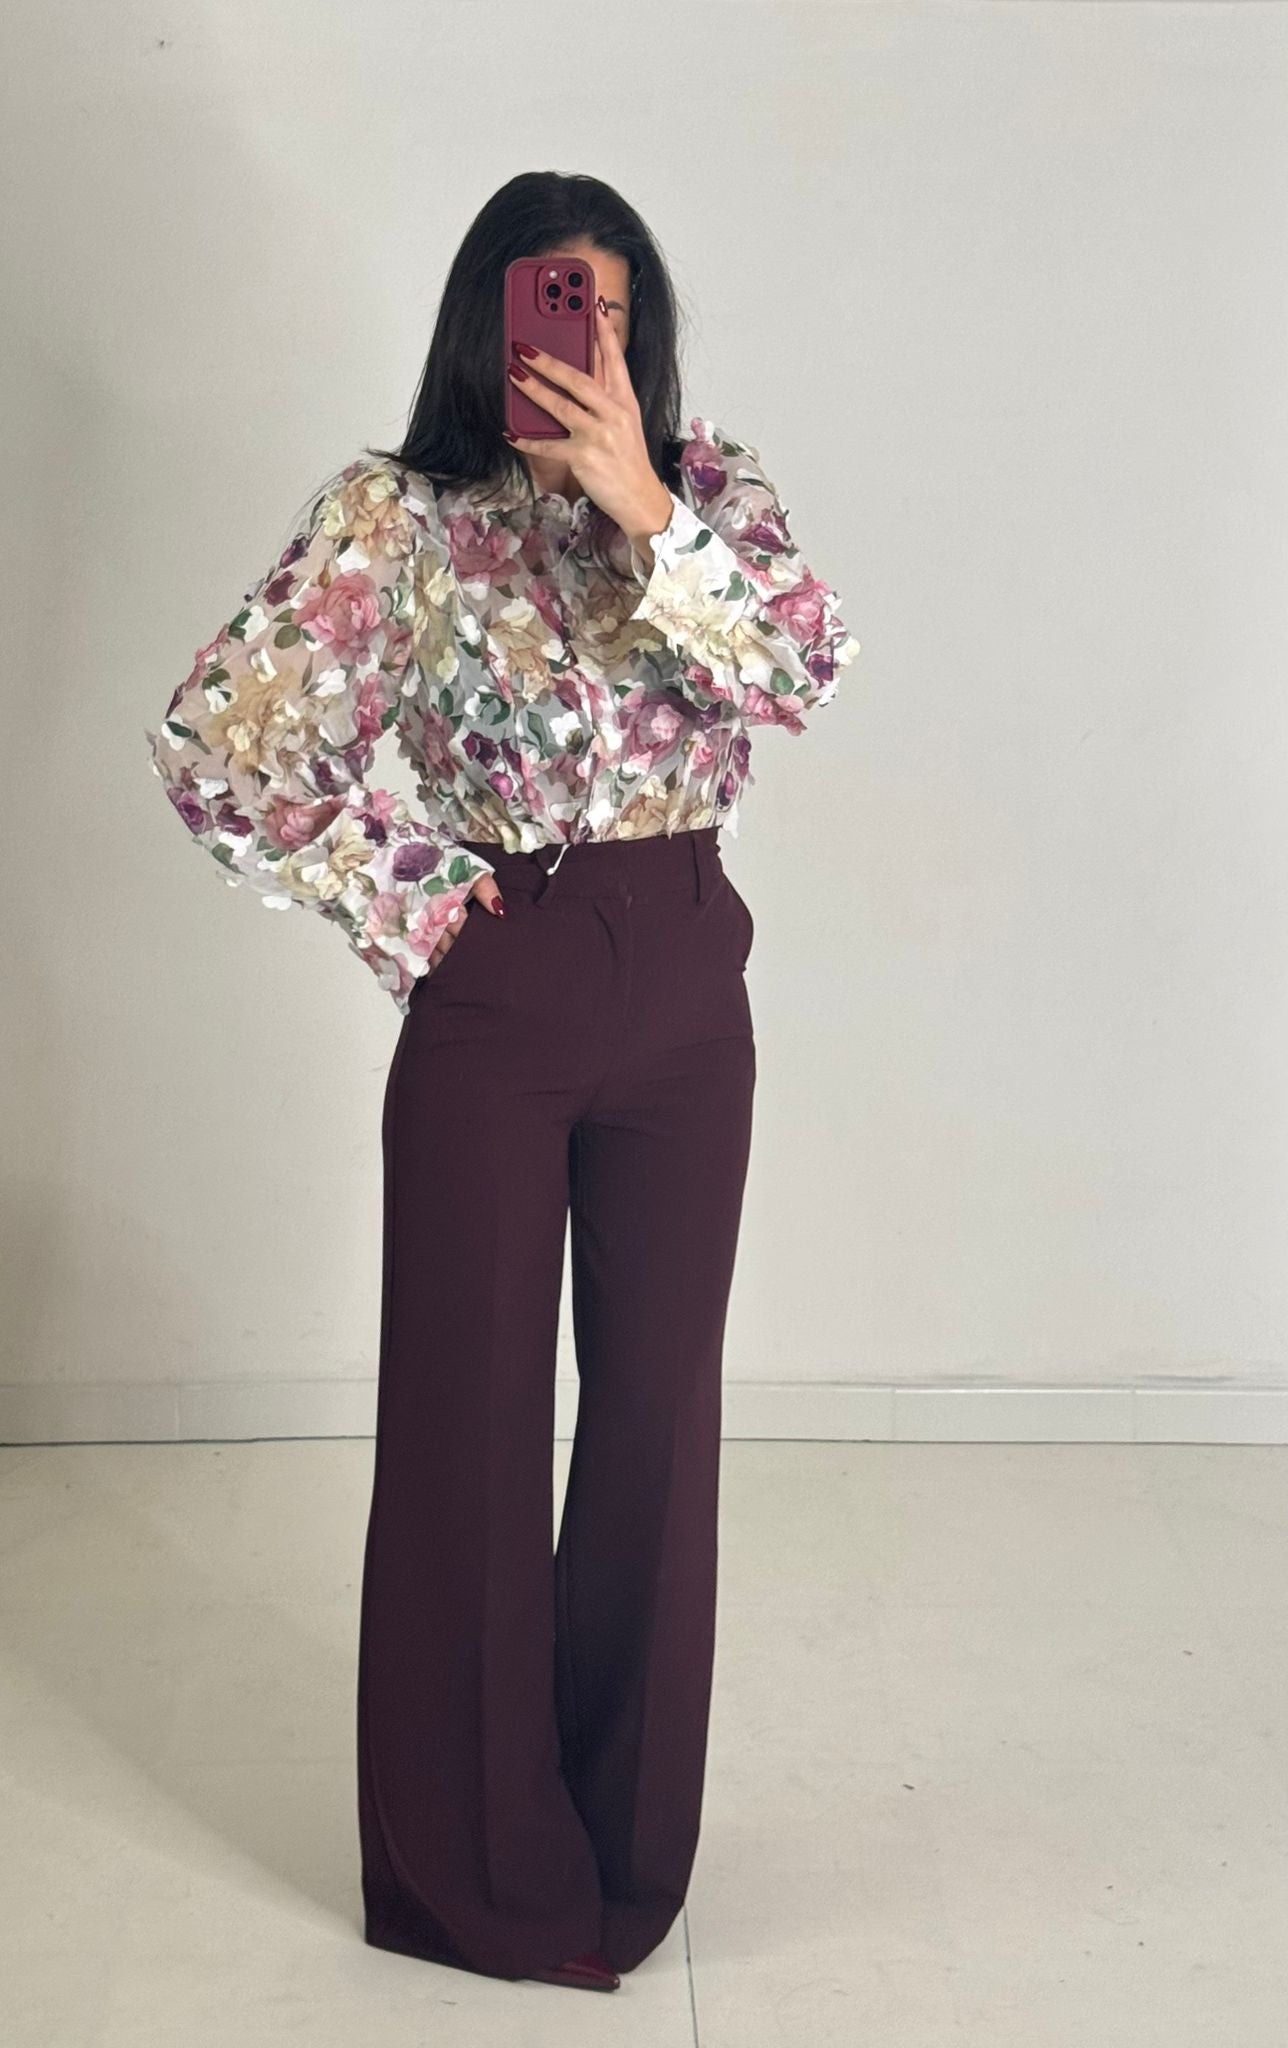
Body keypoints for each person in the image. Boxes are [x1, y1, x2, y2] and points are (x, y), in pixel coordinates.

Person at [145, 172, 861, 1994]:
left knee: (657, 1426)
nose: (586, 343)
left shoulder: (713, 496)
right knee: (465, 1423)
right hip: (504, 983)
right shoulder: (398, 521)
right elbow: (220, 743)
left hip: (688, 986)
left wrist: (647, 508)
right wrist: (417, 905)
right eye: (559, 307)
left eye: (613, 313)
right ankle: (475, 1879)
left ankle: (626, 1850)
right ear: (491, 320)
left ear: (645, 333)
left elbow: (805, 673)